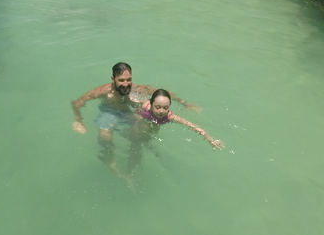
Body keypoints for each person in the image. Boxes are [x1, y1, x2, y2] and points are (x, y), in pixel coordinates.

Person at [71, 62, 199, 187]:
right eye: (121, 80)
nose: (126, 84)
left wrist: (185, 103)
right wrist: (78, 121)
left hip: (127, 112)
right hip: (109, 111)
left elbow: (162, 94)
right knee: (105, 136)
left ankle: (131, 168)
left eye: (129, 79)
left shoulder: (136, 89)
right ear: (113, 79)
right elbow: (77, 103)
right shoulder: (104, 91)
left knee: (140, 134)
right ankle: (110, 161)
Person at [136, 89, 225, 150]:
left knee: (154, 132)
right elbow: (136, 113)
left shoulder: (170, 116)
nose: (161, 111)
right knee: (144, 128)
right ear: (151, 105)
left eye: (165, 107)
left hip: (156, 123)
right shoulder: (146, 107)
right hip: (146, 118)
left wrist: (210, 139)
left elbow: (192, 125)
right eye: (158, 107)